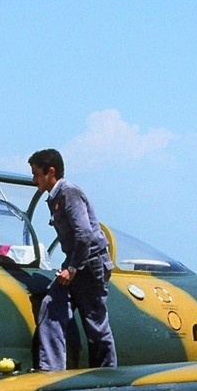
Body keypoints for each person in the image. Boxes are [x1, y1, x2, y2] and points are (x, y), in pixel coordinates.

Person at [28, 149, 117, 370]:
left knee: (95, 325)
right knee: (51, 305)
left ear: (51, 172)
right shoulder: (56, 197)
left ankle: (108, 377)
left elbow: (84, 235)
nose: (33, 180)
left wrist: (73, 268)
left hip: (91, 264)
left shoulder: (69, 193)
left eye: (36, 174)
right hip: (75, 263)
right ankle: (51, 372)